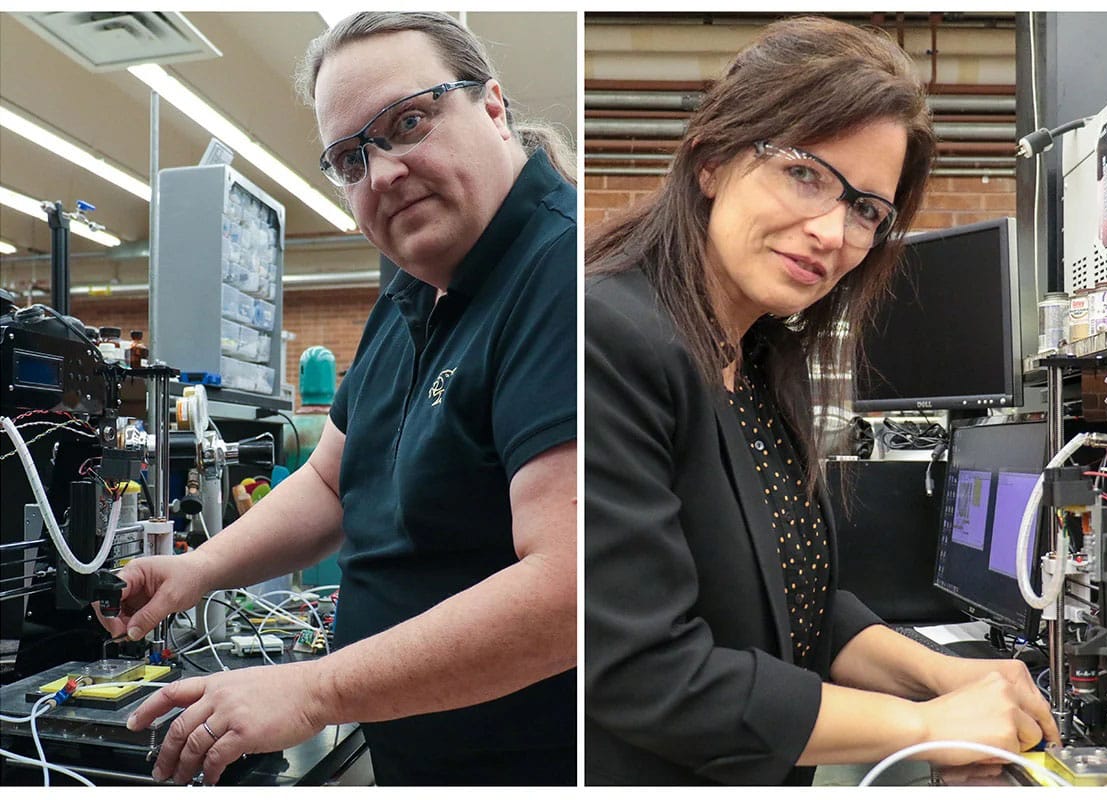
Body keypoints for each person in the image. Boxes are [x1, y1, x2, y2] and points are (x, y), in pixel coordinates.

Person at [98, 12, 577, 786]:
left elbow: (569, 591)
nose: (382, 172)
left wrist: (314, 690)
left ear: (493, 106)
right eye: (351, 157)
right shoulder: (411, 289)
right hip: (418, 749)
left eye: (409, 122)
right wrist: (198, 569)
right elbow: (330, 481)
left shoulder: (560, 276)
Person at [584, 16, 1058, 786]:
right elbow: (644, 675)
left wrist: (943, 676)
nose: (830, 231)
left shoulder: (762, 357)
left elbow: (794, 600)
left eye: (866, 208)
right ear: (711, 159)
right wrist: (921, 726)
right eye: (804, 173)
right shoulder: (608, 339)